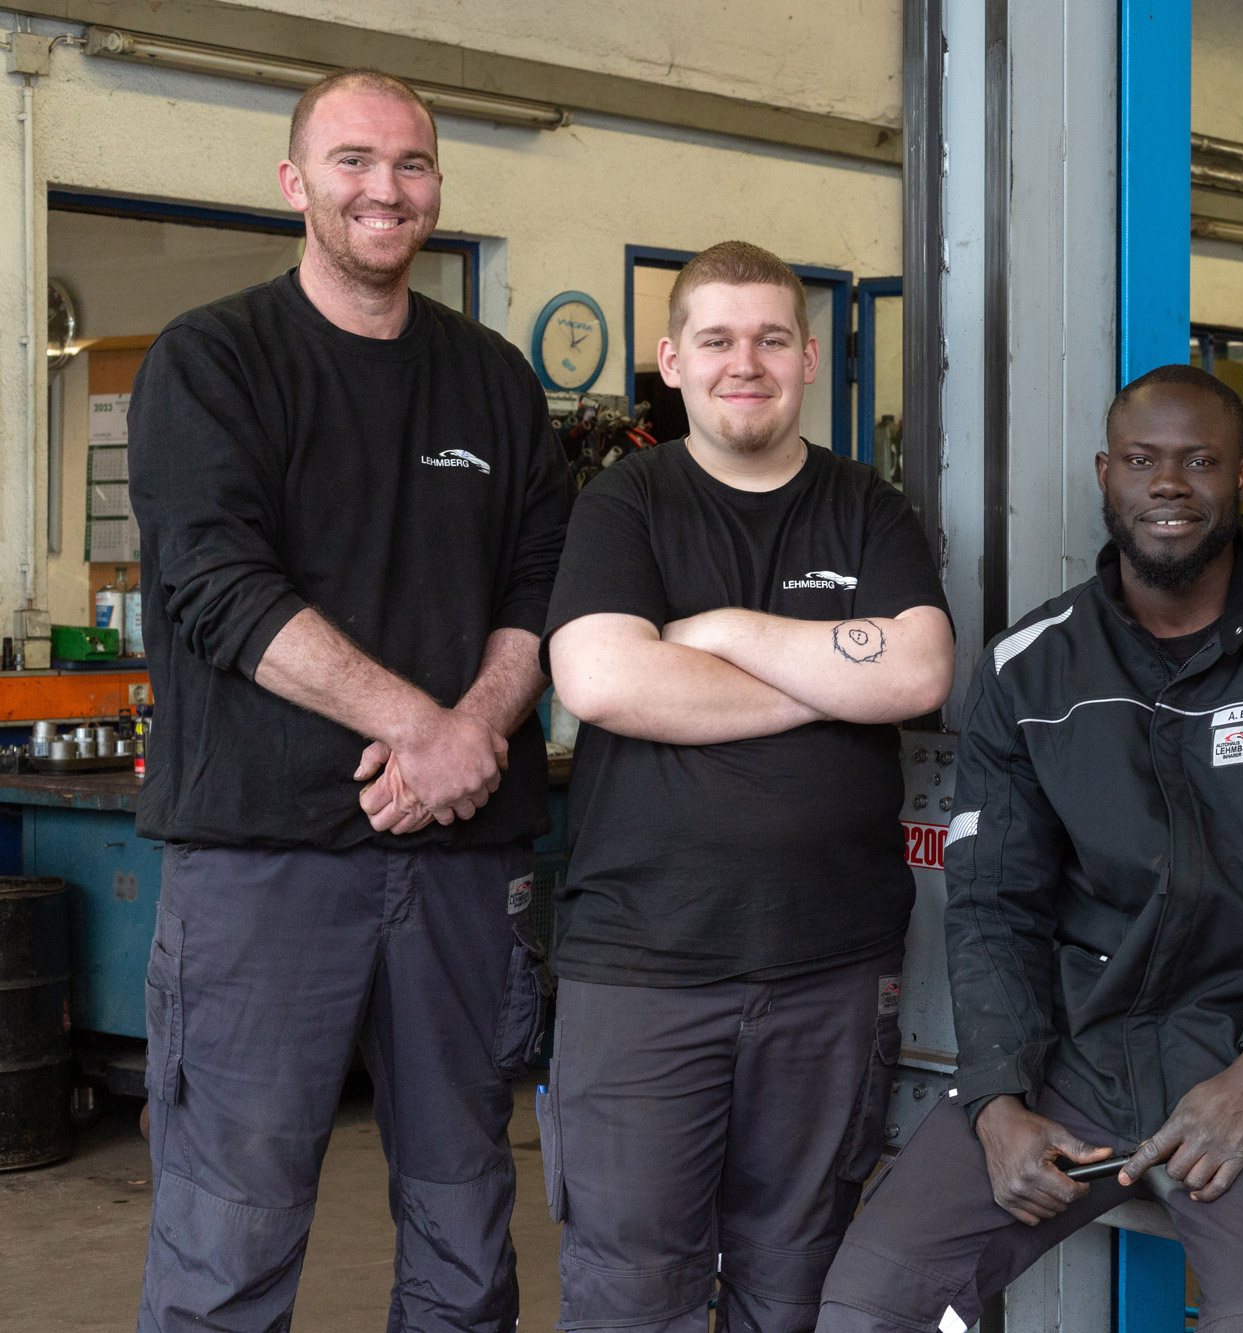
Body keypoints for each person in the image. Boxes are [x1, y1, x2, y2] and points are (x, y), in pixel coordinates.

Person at [814, 364, 1243, 1332]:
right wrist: (995, 1098)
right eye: (1142, 460)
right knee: (866, 1305)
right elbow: (991, 906)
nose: (1168, 484)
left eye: (1199, 461)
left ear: (1242, 482)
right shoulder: (1029, 669)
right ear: (1105, 474)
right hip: (1073, 1055)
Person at [127, 70, 570, 1332]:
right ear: (294, 183)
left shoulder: (492, 380)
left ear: (438, 186)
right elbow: (216, 585)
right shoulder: (214, 361)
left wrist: (476, 728)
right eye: (354, 160)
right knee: (230, 1234)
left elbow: (543, 582)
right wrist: (421, 730)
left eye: (413, 164)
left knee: (465, 1227)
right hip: (264, 867)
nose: (386, 187)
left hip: (460, 867)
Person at [540, 241, 954, 1333]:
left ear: (808, 356)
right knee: (633, 1293)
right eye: (716, 339)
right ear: (671, 359)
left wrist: (721, 635)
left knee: (800, 1282)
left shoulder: (867, 506)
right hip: (643, 969)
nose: (746, 361)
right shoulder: (622, 505)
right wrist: (827, 676)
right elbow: (600, 676)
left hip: (829, 969)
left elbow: (917, 671)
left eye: (771, 337)